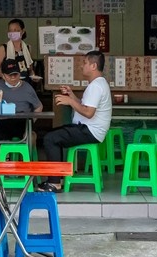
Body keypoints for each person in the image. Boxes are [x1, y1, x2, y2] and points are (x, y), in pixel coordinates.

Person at [37, 50, 112, 193]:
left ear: (93, 66)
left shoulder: (96, 86)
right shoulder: (98, 84)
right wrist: (72, 95)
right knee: (54, 135)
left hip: (90, 130)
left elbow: (89, 113)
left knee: (50, 138)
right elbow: (85, 106)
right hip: (89, 129)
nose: (81, 66)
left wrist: (70, 101)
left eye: (85, 63)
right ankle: (58, 178)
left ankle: (54, 183)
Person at [0, 58, 43, 149]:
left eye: (15, 74)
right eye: (9, 75)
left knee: (31, 137)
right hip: (2, 122)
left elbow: (39, 106)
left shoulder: (27, 87)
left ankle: (25, 161)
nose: (13, 77)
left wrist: (31, 120)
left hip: (23, 122)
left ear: (19, 73)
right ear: (3, 75)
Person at [0, 18, 42, 85]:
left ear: (22, 31)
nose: (12, 33)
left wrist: (33, 76)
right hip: (8, 85)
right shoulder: (3, 48)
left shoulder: (28, 48)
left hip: (24, 84)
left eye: (15, 30)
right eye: (10, 31)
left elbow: (30, 70)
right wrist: (6, 76)